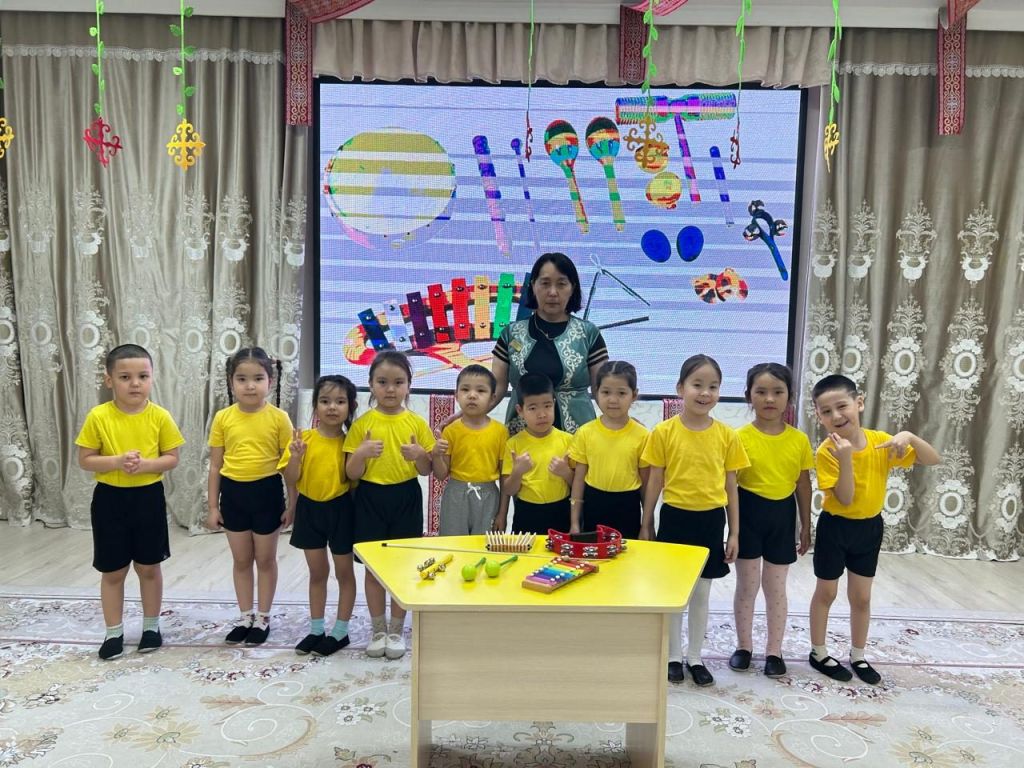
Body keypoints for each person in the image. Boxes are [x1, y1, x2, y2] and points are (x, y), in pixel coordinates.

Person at [809, 374, 940, 685]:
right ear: (818, 416)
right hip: (835, 528)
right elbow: (845, 497)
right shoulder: (827, 451)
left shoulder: (880, 441)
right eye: (826, 411)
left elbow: (933, 459)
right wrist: (845, 459)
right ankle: (818, 652)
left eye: (842, 406)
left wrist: (908, 436)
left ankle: (858, 655)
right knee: (826, 592)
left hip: (869, 529)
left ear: (859, 402)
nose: (836, 416)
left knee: (862, 597)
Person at [641, 354, 749, 687]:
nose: (705, 393)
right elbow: (655, 480)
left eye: (713, 386)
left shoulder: (727, 436)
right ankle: (673, 657)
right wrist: (646, 522)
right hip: (675, 518)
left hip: (711, 521)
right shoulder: (663, 432)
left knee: (702, 592)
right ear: (680, 388)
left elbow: (731, 486)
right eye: (697, 385)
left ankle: (695, 657)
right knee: (674, 592)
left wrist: (734, 532)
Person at [76, 344, 185, 661]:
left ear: (152, 378)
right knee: (113, 570)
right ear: (109, 380)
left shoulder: (160, 416)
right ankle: (114, 632)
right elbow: (85, 459)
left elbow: (172, 458)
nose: (135, 383)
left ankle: (151, 627)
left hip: (148, 498)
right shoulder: (98, 416)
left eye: (142, 376)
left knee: (149, 566)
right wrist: (117, 461)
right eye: (125, 377)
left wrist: (146, 465)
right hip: (109, 500)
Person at [344, 350, 434, 660]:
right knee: (373, 568)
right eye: (382, 382)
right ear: (371, 384)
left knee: (402, 567)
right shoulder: (362, 424)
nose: (391, 389)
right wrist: (361, 454)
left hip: (406, 497)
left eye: (398, 382)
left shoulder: (417, 423)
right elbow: (351, 473)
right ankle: (378, 629)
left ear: (409, 385)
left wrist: (420, 456)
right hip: (369, 498)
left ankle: (396, 629)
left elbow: (427, 470)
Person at [729, 363, 813, 679]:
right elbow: (730, 488)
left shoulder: (799, 440)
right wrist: (733, 531)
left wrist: (806, 525)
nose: (769, 399)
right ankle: (744, 646)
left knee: (775, 587)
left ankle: (774, 651)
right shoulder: (738, 438)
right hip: (748, 516)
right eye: (761, 391)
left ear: (789, 397)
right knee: (747, 585)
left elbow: (803, 485)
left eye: (778, 392)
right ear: (748, 396)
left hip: (782, 519)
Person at [206, 347, 292, 646]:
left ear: (271, 381)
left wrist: (293, 504)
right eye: (242, 379)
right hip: (234, 495)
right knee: (241, 560)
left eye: (258, 378)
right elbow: (215, 466)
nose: (250, 386)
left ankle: (263, 617)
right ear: (231, 382)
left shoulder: (279, 418)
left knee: (265, 559)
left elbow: (289, 467)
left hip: (267, 493)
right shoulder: (223, 418)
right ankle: (245, 616)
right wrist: (212, 506)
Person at [491, 252, 608, 435]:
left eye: (561, 284)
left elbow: (603, 389)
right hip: (522, 439)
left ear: (573, 288)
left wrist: (621, 421)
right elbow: (496, 388)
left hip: (578, 438)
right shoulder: (511, 334)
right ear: (533, 286)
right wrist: (468, 415)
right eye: (545, 283)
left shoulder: (589, 334)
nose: (553, 292)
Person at [284, 375, 358, 657]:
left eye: (340, 401)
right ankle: (316, 630)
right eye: (325, 401)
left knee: (344, 572)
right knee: (317, 572)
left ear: (350, 407)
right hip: (309, 510)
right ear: (315, 406)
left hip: (341, 510)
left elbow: (354, 481)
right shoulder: (303, 440)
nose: (332, 407)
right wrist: (295, 457)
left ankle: (340, 631)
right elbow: (291, 479)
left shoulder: (350, 443)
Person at [568, 361, 648, 538]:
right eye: (606, 392)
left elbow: (645, 485)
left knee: (627, 553)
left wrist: (647, 525)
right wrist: (574, 522)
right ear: (596, 392)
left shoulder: (643, 435)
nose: (613, 400)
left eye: (621, 393)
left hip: (628, 507)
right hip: (594, 505)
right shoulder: (585, 433)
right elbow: (578, 481)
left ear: (634, 395)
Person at [432, 364, 509, 535]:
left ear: (492, 398)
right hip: (455, 495)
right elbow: (441, 474)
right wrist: (436, 455)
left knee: (484, 545)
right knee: (453, 544)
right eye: (465, 389)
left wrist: (502, 513)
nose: (472, 395)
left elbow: (505, 477)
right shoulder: (450, 431)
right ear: (456, 395)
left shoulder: (500, 432)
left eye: (481, 391)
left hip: (489, 496)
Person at [496, 373, 575, 534]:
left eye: (547, 406)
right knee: (526, 550)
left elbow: (579, 485)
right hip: (527, 512)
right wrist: (517, 472)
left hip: (561, 511)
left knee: (559, 550)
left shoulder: (568, 440)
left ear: (554, 404)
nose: (542, 414)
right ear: (520, 410)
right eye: (532, 408)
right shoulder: (513, 444)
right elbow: (509, 490)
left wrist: (566, 472)